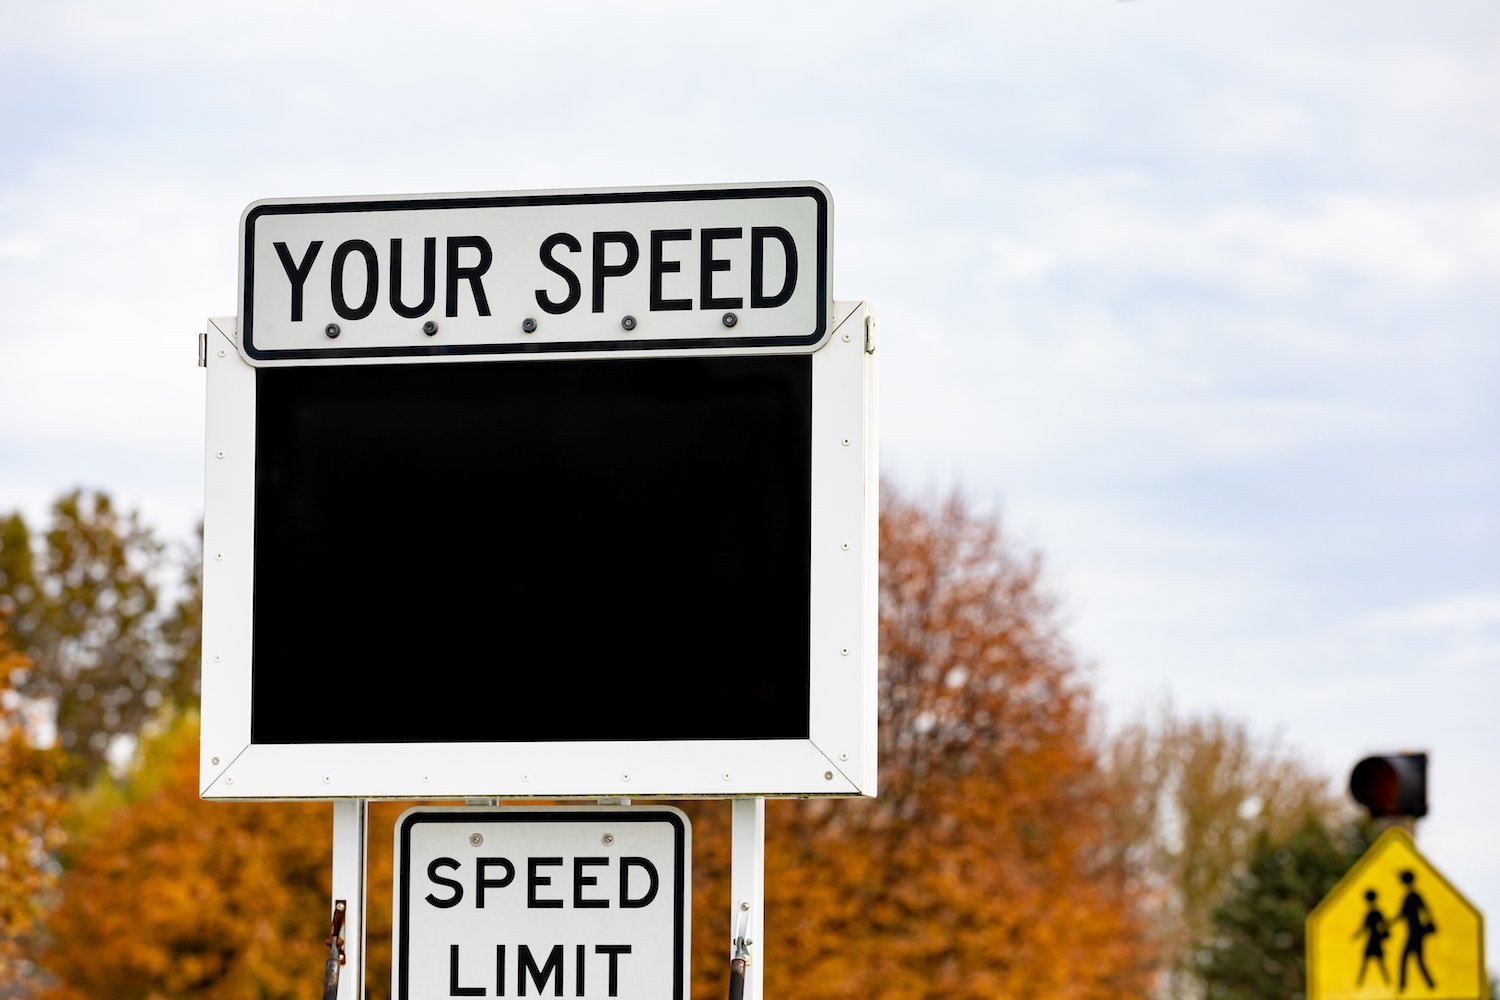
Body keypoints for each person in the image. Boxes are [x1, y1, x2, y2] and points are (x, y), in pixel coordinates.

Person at [1395, 868, 1437, 991]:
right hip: (1413, 932)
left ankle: (1403, 986)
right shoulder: (1408, 896)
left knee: (1408, 959)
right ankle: (1430, 984)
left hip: (1416, 932)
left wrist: (1428, 924)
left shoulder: (1414, 896)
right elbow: (1401, 915)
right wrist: (1388, 923)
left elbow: (1426, 909)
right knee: (1416, 960)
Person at [1355, 888, 1390, 986]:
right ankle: (1360, 983)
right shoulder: (1371, 913)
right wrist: (1357, 935)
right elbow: (1364, 927)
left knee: (1374, 962)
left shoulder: (1375, 913)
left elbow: (1383, 924)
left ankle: (1360, 983)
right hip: (1374, 939)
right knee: (1370, 962)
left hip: (1374, 940)